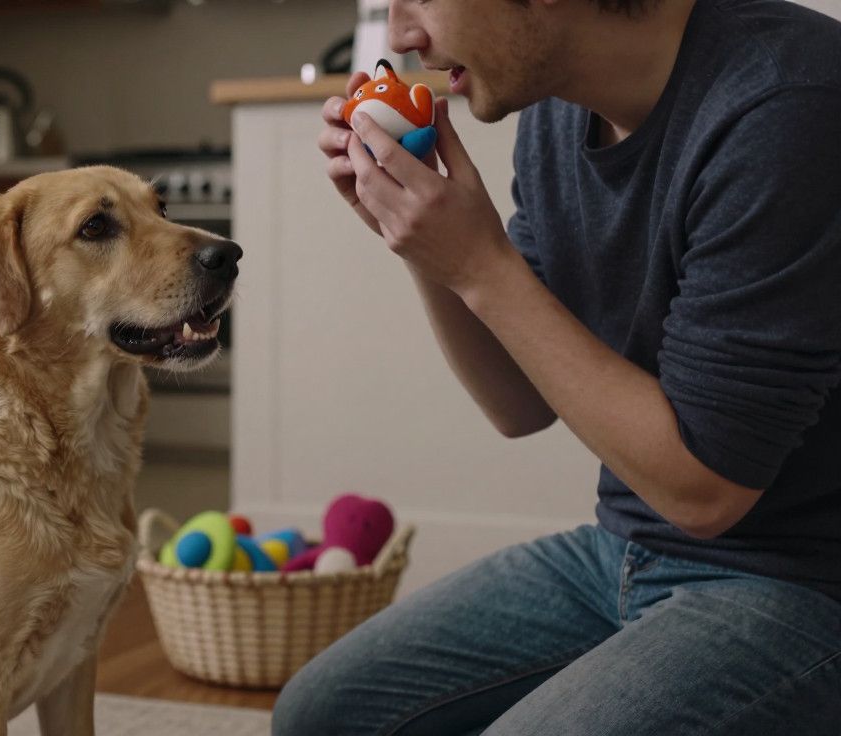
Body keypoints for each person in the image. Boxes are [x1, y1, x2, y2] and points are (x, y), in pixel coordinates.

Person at [272, 0, 841, 733]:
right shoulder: (558, 116)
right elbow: (518, 405)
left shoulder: (788, 103)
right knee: (319, 717)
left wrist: (480, 263)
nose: (402, 36)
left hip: (798, 584)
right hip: (626, 552)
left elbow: (705, 493)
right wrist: (422, 241)